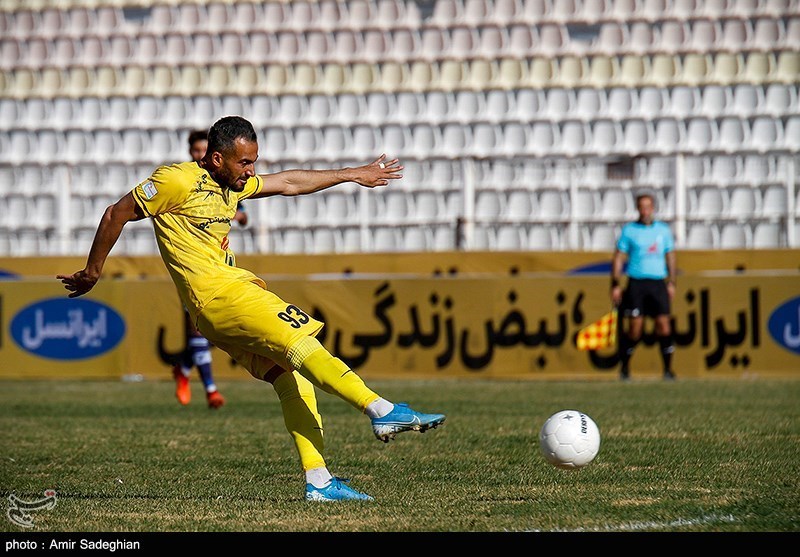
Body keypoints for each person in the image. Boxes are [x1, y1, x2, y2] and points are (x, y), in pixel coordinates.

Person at [57, 116, 446, 502]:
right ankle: (380, 408)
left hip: (213, 308)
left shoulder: (233, 186)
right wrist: (94, 271)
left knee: (291, 377)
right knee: (299, 339)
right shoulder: (175, 180)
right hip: (220, 295)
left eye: (254, 162)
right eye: (244, 163)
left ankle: (320, 482)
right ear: (215, 159)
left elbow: (291, 181)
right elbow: (115, 213)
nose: (251, 171)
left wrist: (352, 173)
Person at [169, 130, 249, 409]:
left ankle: (182, 367)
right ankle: (211, 390)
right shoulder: (181, 180)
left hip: (220, 267)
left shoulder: (226, 180)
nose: (198, 155)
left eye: (202, 149)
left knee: (216, 333)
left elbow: (243, 211)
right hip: (191, 269)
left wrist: (238, 215)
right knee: (198, 332)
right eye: (194, 151)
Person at [610, 192, 677, 382]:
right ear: (638, 208)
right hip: (636, 283)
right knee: (635, 329)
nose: (645, 210)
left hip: (658, 283)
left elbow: (670, 256)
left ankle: (668, 370)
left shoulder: (663, 230)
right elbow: (618, 257)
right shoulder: (630, 230)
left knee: (663, 326)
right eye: (642, 207)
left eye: (648, 206)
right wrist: (615, 284)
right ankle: (625, 368)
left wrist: (672, 282)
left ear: (653, 208)